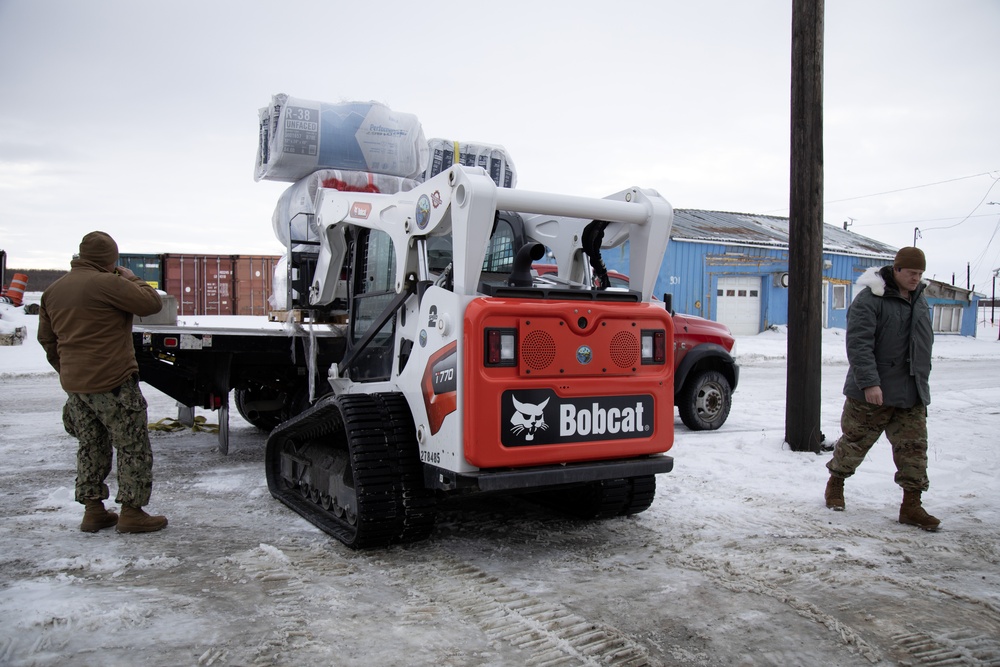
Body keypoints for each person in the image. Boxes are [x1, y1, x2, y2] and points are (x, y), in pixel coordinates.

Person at [37, 231, 168, 534]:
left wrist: (69, 371)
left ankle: (93, 511)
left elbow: (48, 340)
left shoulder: (54, 290)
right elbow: (150, 303)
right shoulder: (108, 283)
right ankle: (132, 513)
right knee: (132, 446)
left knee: (91, 445)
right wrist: (131, 278)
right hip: (114, 381)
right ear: (110, 258)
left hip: (77, 386)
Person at [823, 246, 939, 531]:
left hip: (911, 390)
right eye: (912, 272)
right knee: (855, 442)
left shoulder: (920, 301)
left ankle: (911, 505)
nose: (916, 278)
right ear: (896, 269)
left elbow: (923, 344)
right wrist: (869, 383)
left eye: (920, 273)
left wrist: (922, 381)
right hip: (873, 390)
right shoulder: (871, 299)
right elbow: (859, 344)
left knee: (914, 449)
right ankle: (835, 483)